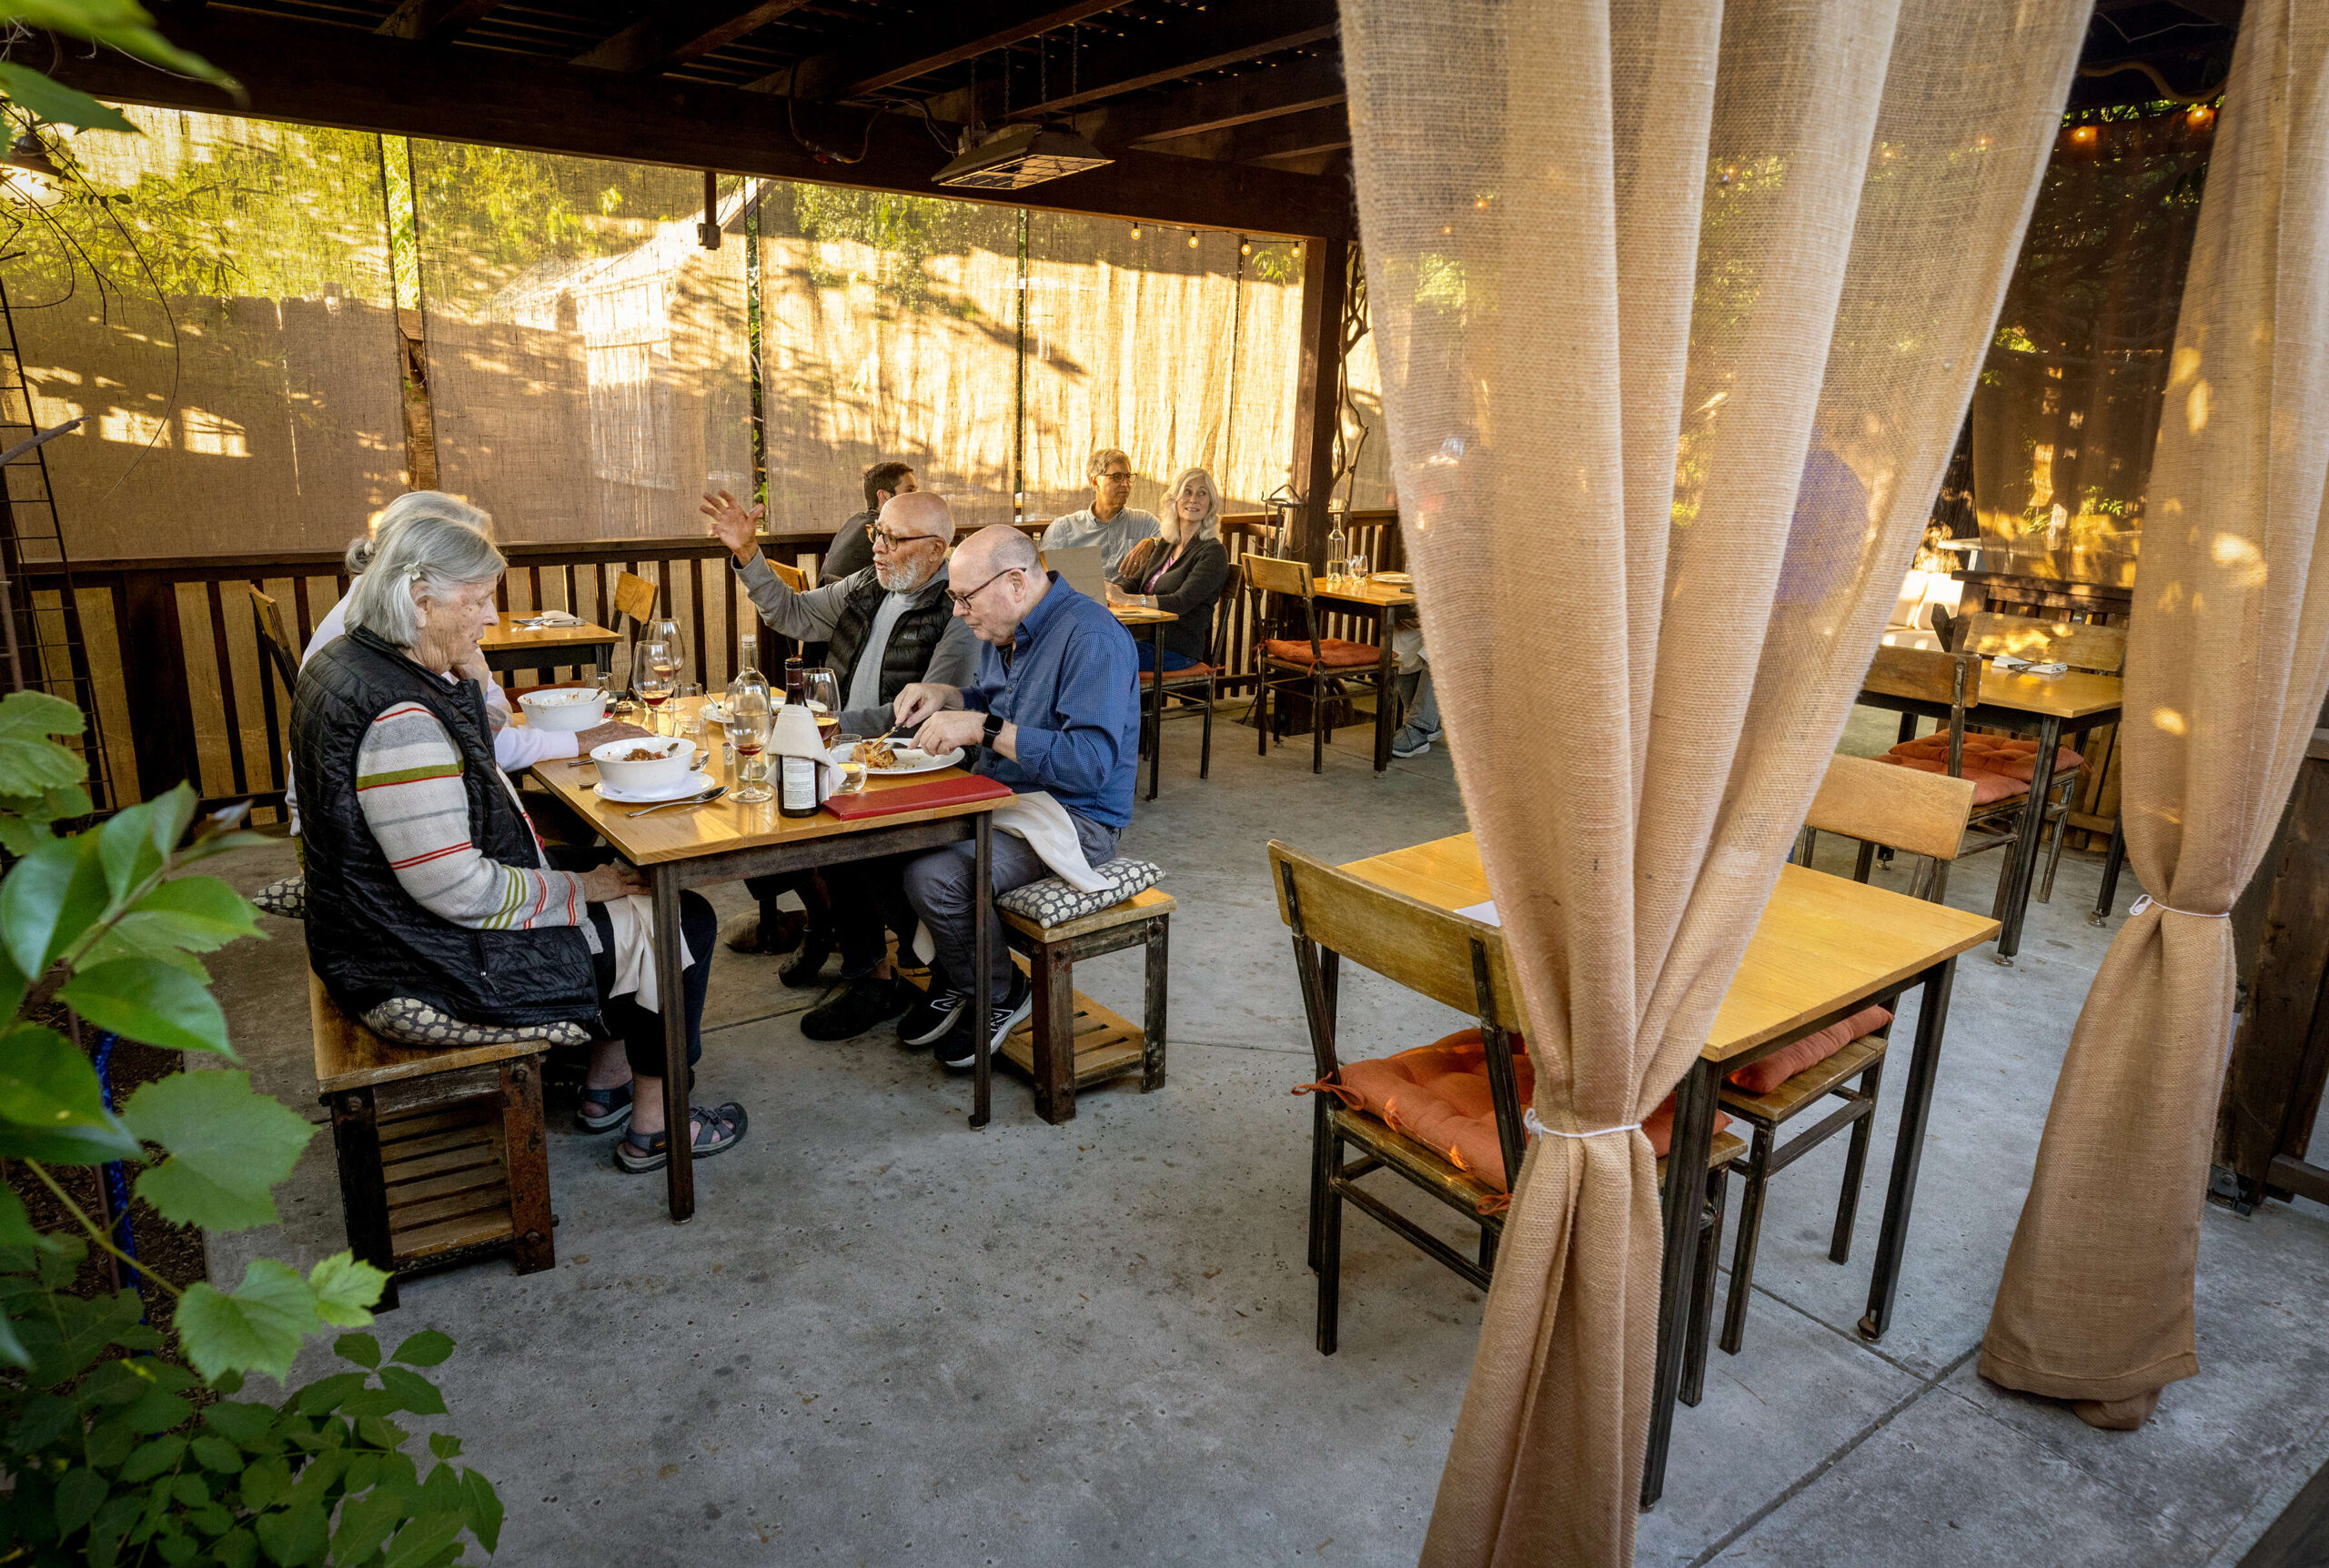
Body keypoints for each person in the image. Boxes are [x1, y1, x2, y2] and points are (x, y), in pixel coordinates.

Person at [291, 513, 742, 1175]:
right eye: (475, 602)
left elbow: (478, 740)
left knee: (631, 885)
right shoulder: (400, 721)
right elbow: (458, 889)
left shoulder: (354, 660)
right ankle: (658, 1124)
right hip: (422, 962)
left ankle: (606, 1087)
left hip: (375, 927)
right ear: (419, 601)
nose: (488, 618)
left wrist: (468, 668)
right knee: (683, 915)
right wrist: (580, 890)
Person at [699, 484, 981, 1038]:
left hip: (912, 763)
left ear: (937, 549)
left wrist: (822, 728)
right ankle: (837, 941)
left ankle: (875, 975)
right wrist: (746, 553)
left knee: (839, 838)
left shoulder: (959, 608)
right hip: (848, 754)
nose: (877, 547)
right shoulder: (865, 586)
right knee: (766, 805)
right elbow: (790, 613)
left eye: (894, 539)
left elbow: (932, 709)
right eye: (878, 532)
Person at [887, 525, 1141, 1070]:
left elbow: (1091, 765)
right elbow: (996, 701)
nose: (958, 613)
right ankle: (958, 974)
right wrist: (949, 696)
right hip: (1008, 800)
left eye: (963, 598)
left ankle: (1001, 993)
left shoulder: (1091, 638)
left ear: (1016, 582)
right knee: (880, 846)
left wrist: (982, 727)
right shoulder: (1008, 626)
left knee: (935, 876)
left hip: (1075, 821)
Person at [285, 492, 652, 832]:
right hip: (360, 836)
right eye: (474, 587)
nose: (491, 616)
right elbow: (484, 746)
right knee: (584, 816)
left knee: (581, 814)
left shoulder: (401, 625)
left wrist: (479, 686)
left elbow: (489, 721)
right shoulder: (390, 643)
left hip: (373, 829)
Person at [1104, 465, 1230, 673]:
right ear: (1175, 501)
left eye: (1202, 493)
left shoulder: (1213, 553)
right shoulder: (1167, 543)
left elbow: (1181, 602)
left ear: (1210, 504)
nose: (1193, 499)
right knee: (1086, 647)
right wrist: (1111, 590)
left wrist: (1130, 600)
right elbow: (1136, 582)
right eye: (1187, 492)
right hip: (1144, 638)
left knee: (1100, 656)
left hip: (1176, 650)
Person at [1042, 447, 1158, 575]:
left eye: (1128, 477)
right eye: (1117, 477)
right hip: (1081, 594)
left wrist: (1152, 542)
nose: (1126, 484)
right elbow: (1042, 573)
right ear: (1095, 482)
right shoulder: (1064, 528)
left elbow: (1176, 543)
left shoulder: (1145, 522)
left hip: (1129, 594)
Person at [822, 460, 918, 583]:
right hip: (846, 600)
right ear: (884, 496)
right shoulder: (883, 531)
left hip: (832, 598)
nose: (917, 498)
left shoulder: (855, 522)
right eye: (910, 491)